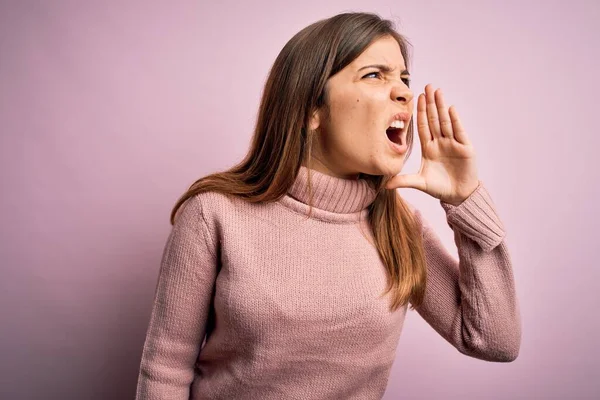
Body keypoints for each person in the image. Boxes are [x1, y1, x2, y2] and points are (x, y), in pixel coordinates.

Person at [134, 11, 521, 400]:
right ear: (311, 109)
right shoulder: (214, 214)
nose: (404, 92)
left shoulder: (400, 227)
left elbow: (493, 340)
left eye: (404, 78)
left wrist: (465, 201)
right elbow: (165, 371)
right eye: (375, 75)